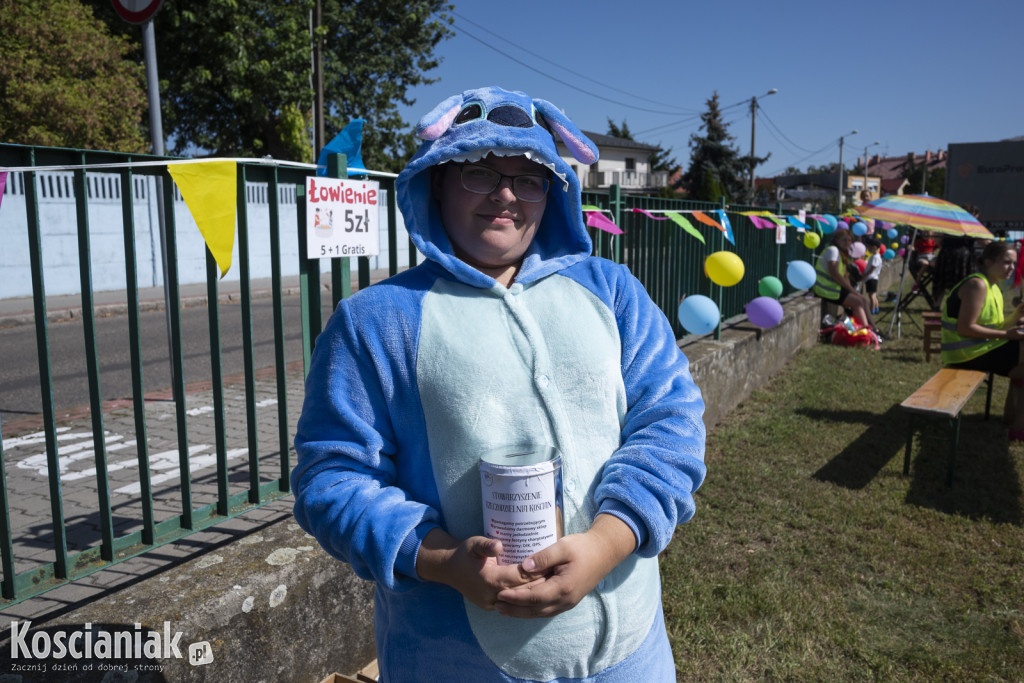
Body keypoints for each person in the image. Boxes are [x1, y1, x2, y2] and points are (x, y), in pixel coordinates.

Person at [290, 86, 707, 682]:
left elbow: (671, 423)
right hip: (454, 662)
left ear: (554, 192)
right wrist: (440, 558)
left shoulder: (612, 292)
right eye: (480, 173)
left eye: (529, 177)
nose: (507, 194)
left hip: (632, 657)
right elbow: (331, 479)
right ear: (436, 181)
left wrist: (607, 544)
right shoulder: (376, 320)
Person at [941, 241, 1024, 439]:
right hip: (965, 354)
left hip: (981, 348)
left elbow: (992, 326)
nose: (1011, 268)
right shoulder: (977, 285)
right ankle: (1018, 427)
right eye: (1006, 263)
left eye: (1013, 263)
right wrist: (1008, 335)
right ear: (988, 261)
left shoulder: (994, 286)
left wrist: (1016, 316)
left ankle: (1014, 422)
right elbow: (966, 327)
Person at [813, 228, 878, 333]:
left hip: (834, 288)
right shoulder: (833, 250)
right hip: (826, 289)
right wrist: (852, 292)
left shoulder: (842, 253)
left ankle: (874, 328)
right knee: (858, 302)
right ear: (837, 240)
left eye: (849, 240)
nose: (847, 242)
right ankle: (866, 331)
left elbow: (845, 276)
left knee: (863, 300)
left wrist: (854, 291)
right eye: (844, 240)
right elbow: (835, 274)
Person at [862, 236, 883, 314]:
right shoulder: (877, 256)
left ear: (874, 247)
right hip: (873, 278)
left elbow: (872, 269)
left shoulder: (875, 257)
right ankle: (876, 308)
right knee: (873, 295)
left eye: (869, 247)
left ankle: (872, 310)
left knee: (871, 296)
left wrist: (865, 275)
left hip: (871, 278)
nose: (868, 249)